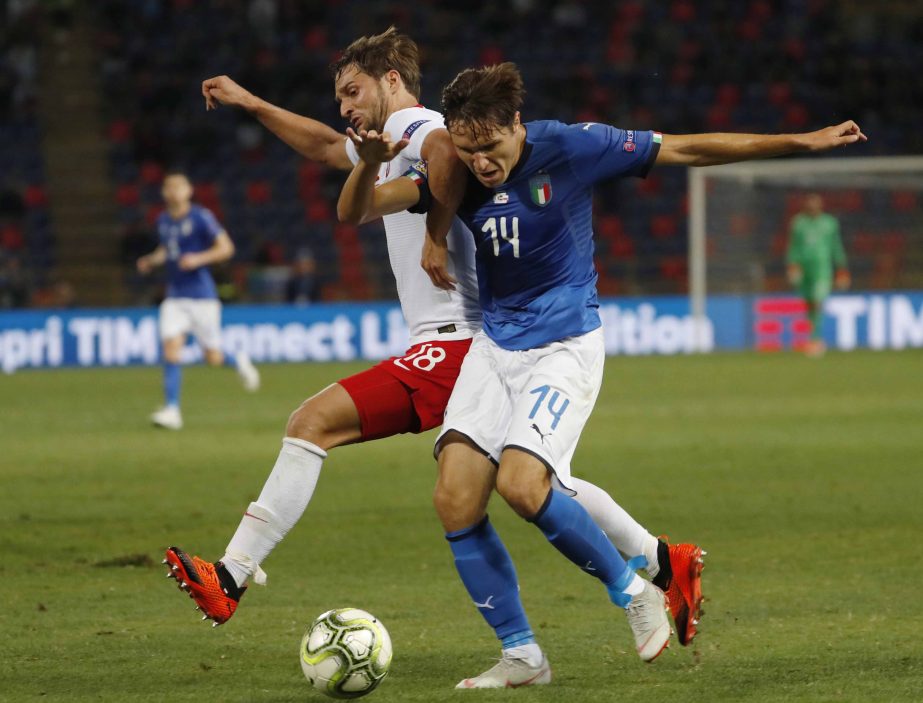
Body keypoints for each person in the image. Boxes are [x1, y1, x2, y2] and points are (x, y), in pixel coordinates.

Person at [163, 29, 701, 685]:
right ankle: (655, 560)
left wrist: (439, 232)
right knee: (526, 481)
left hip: (458, 340)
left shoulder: (423, 130)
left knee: (314, 422)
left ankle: (232, 574)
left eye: (352, 91)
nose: (344, 107)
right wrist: (253, 103)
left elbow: (445, 151)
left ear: (393, 79)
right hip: (465, 341)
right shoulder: (387, 146)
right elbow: (327, 148)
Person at [341, 62, 866, 686]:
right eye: (467, 147)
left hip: (566, 345)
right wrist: (367, 163)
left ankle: (635, 591)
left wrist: (800, 143)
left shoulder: (572, 145)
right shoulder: (453, 165)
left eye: (491, 146)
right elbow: (359, 212)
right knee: (454, 499)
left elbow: (687, 149)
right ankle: (523, 658)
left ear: (516, 123)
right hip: (494, 345)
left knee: (522, 484)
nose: (480, 161)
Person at [137, 170, 260, 430]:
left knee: (212, 357)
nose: (173, 192)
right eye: (168, 187)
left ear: (188, 191)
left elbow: (226, 248)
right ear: (163, 193)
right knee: (171, 348)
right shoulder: (162, 220)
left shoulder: (201, 217)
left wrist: (198, 259)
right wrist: (151, 260)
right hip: (174, 297)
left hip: (202, 297)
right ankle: (172, 410)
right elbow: (166, 250)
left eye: (178, 187)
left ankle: (237, 359)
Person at [786, 193, 850, 357]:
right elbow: (793, 246)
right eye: (810, 203)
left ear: (821, 205)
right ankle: (813, 338)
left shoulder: (829, 223)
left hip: (822, 268)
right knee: (809, 303)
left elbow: (836, 246)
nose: (812, 207)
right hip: (804, 268)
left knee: (817, 299)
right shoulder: (798, 223)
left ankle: (816, 340)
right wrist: (793, 265)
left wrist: (841, 268)